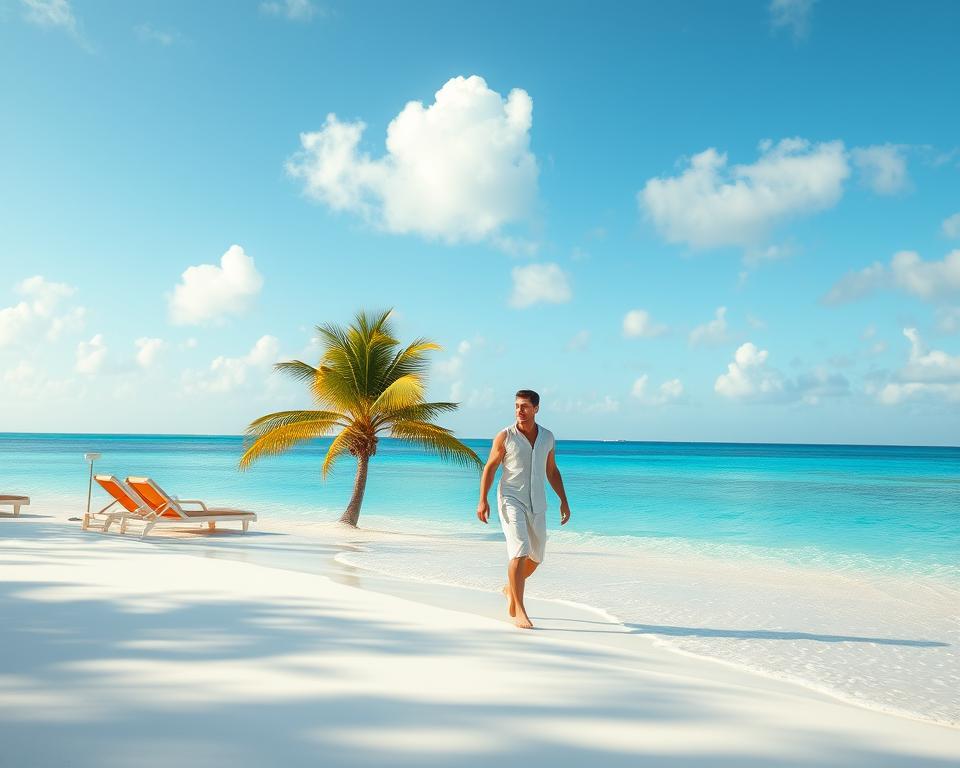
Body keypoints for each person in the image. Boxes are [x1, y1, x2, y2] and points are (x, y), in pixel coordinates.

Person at [476, 389, 571, 629]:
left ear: (536, 409)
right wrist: (483, 500)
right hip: (511, 499)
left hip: (537, 502)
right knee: (519, 551)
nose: (520, 411)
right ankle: (519, 609)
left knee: (536, 557)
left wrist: (564, 500)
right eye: (517, 406)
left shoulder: (548, 437)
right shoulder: (505, 436)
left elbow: (551, 471)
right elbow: (490, 467)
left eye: (525, 406)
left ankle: (510, 589)